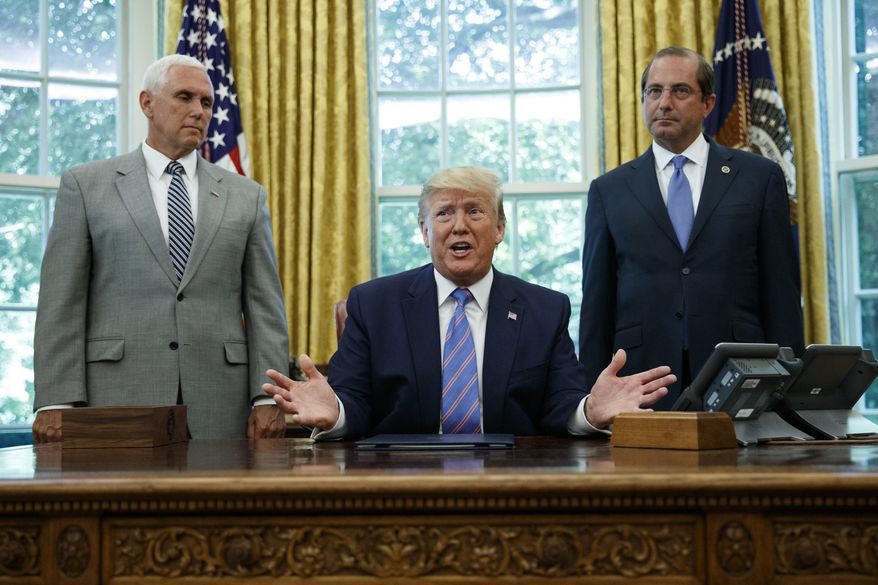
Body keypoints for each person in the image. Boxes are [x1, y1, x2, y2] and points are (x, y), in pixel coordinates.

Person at [262, 167, 676, 438]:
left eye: (474, 211)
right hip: (399, 482)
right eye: (444, 214)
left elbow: (560, 403)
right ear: (425, 232)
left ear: (498, 229)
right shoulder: (374, 304)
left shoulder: (544, 309)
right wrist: (334, 411)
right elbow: (354, 399)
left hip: (510, 480)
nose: (459, 225)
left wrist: (590, 410)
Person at [32, 54, 290, 441]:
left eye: (206, 102)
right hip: (117, 395)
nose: (198, 111)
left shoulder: (245, 195)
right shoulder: (85, 186)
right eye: (184, 97)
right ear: (147, 103)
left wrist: (267, 397)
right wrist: (55, 400)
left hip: (222, 399)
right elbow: (61, 303)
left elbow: (265, 307)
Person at [579, 46, 804, 410]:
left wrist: (788, 386)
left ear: (708, 103)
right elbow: (596, 305)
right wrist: (591, 397)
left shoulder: (759, 178)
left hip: (742, 374)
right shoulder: (609, 190)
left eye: (680, 91)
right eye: (654, 91)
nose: (664, 102)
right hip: (642, 379)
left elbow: (781, 292)